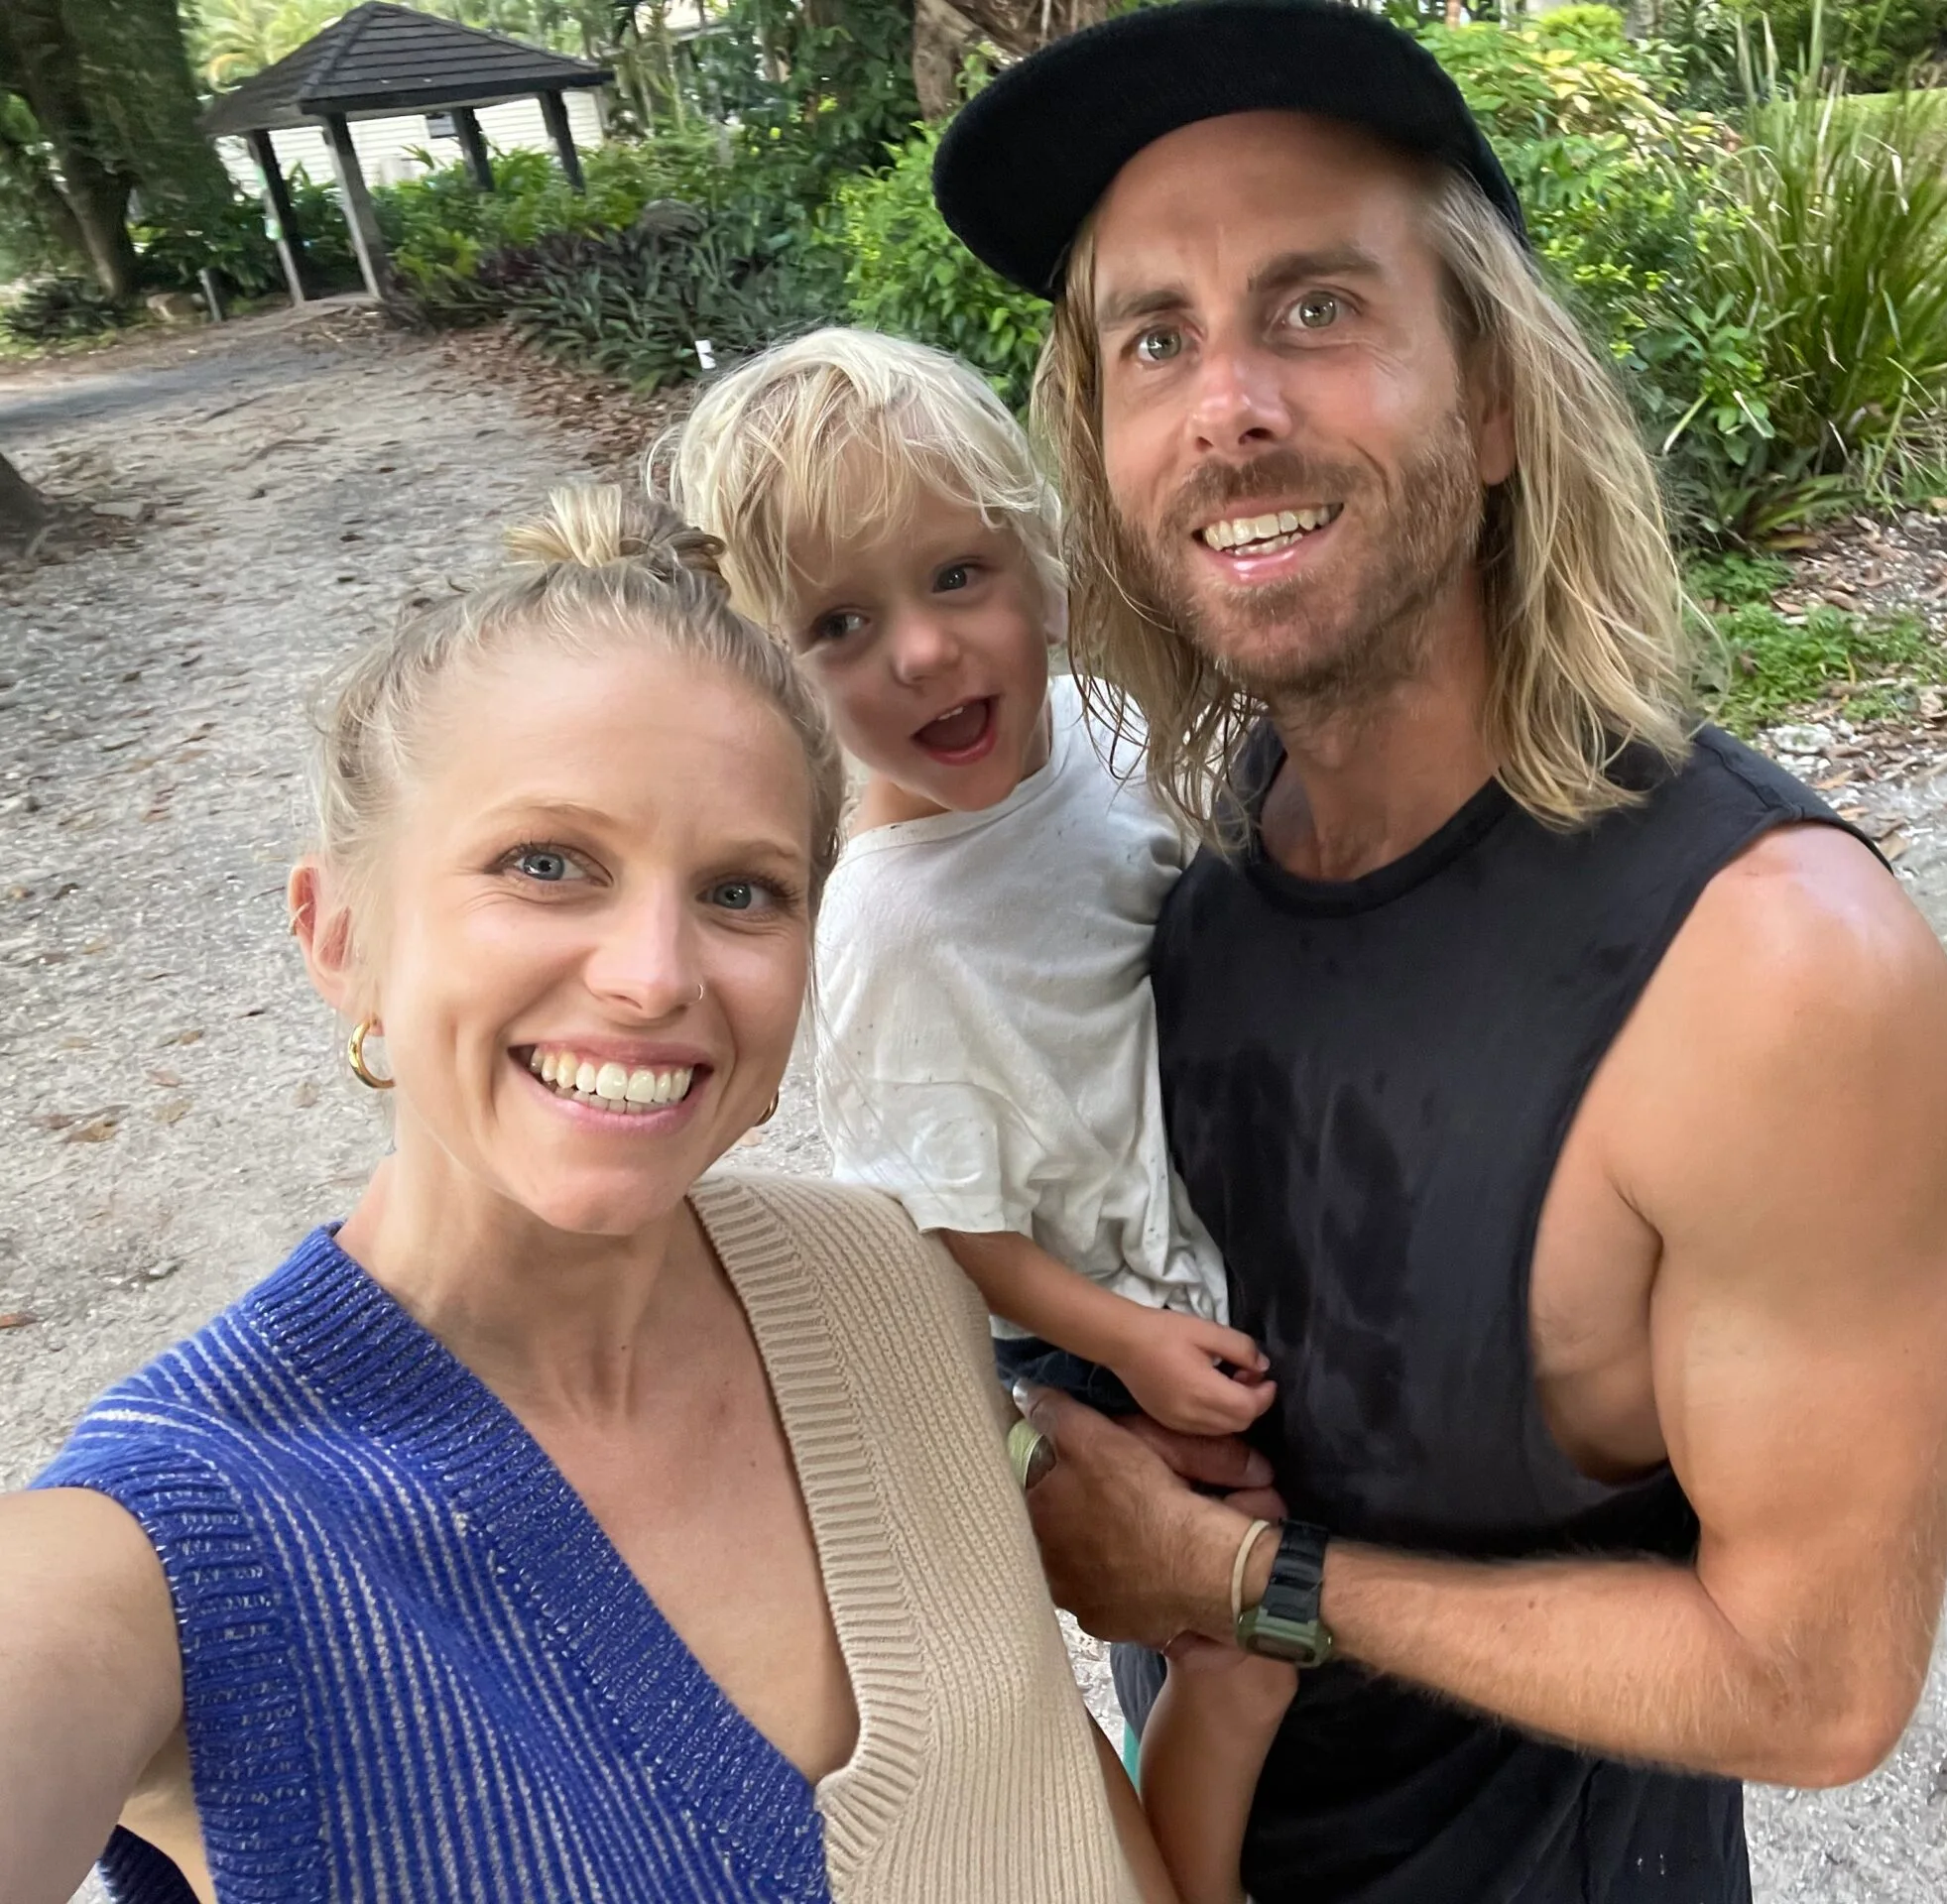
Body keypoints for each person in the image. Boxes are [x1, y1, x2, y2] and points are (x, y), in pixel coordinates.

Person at [929, 4, 1947, 1901]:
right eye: (1154, 339)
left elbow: (1823, 1684)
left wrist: (1238, 1590)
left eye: (1316, 310)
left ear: (1493, 399)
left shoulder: (1767, 972)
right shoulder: (1193, 854)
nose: (1227, 404)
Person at [0, 488, 1161, 1904]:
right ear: (340, 934)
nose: (655, 974)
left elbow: (1041, 1768)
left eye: (744, 892)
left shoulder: (892, 1279)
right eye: (547, 865)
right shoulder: (180, 1536)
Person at [666, 326, 1296, 1903]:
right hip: (1092, 1306)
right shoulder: (891, 931)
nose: (929, 655)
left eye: (959, 577)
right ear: (772, 680)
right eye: (840, 625)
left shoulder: (1100, 723)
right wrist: (1129, 1340)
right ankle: (1184, 1876)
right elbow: (950, 1226)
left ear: (1041, 563)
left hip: (1201, 1216)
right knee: (1240, 1655)